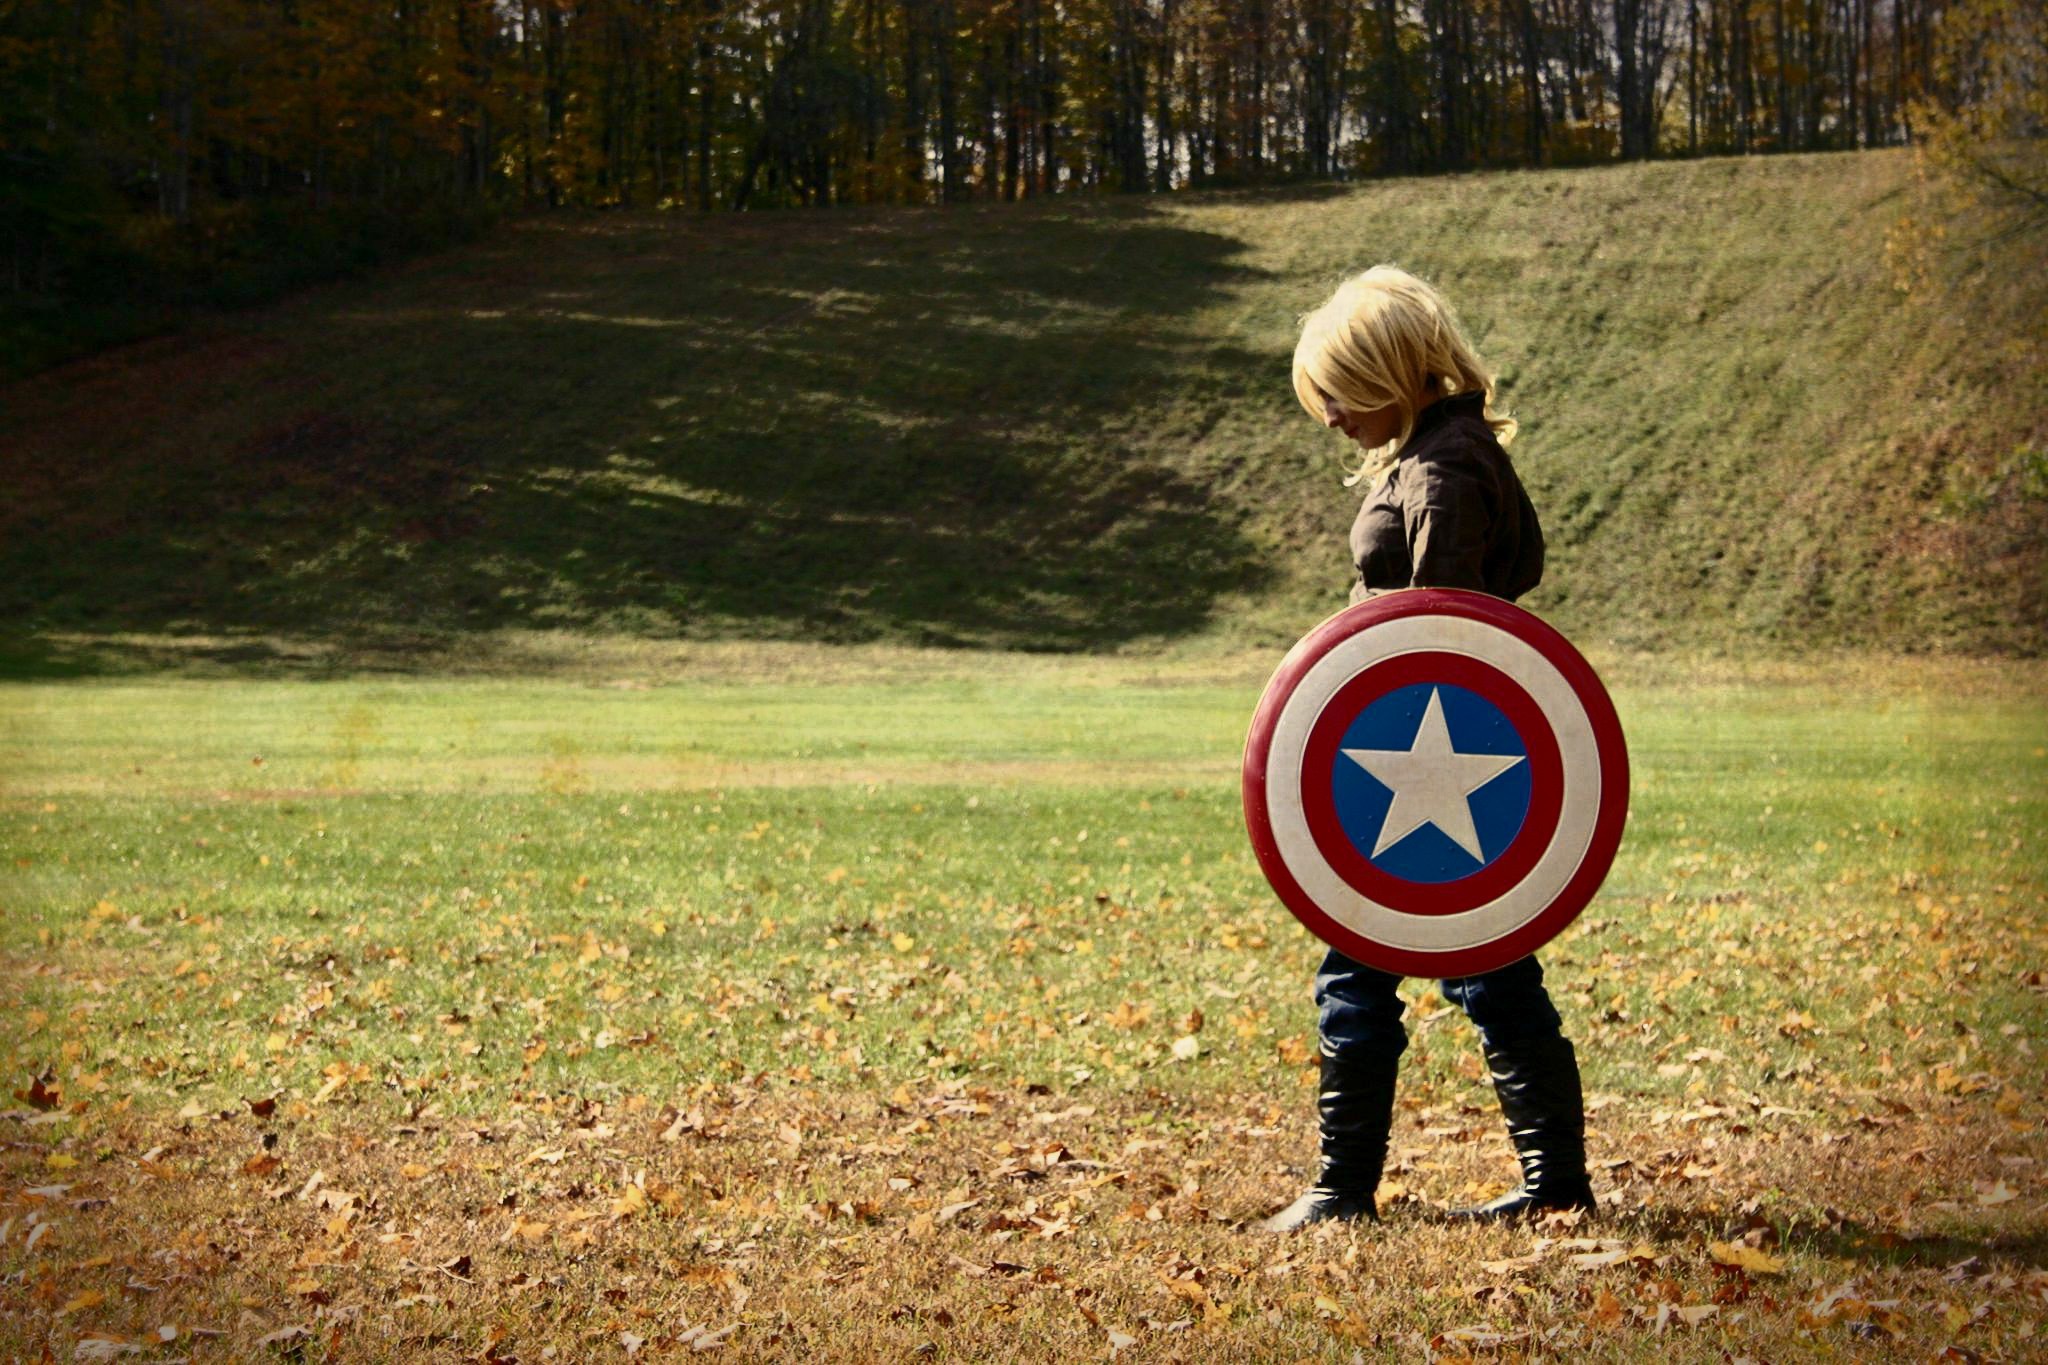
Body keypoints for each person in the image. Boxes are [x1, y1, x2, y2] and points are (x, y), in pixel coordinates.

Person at [1258, 265, 1596, 1233]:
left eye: (1337, 392)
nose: (1328, 415)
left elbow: (1438, 642)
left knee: (1391, 968)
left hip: (1424, 759)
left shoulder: (1443, 471)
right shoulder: (1437, 454)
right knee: (1483, 966)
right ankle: (1548, 1183)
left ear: (1388, 371)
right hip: (1424, 758)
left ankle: (1349, 1188)